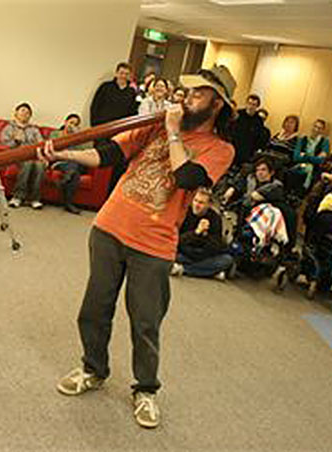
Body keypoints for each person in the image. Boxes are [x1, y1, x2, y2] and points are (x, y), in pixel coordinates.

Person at [40, 65, 236, 429]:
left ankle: (145, 389)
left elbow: (186, 178)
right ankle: (93, 369)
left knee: (146, 322)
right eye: (187, 91)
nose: (187, 97)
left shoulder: (220, 149)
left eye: (198, 94)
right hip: (109, 227)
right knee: (94, 308)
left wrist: (173, 131)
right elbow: (107, 154)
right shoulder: (155, 124)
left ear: (218, 104)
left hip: (154, 243)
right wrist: (64, 156)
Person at [90, 62, 139, 195]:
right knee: (100, 161)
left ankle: (109, 196)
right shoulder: (105, 87)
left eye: (126, 74)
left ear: (130, 76)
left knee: (117, 165)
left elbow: (132, 114)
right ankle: (96, 196)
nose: (123, 76)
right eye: (121, 73)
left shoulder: (131, 93)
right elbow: (94, 107)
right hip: (102, 131)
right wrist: (95, 128)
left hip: (120, 134)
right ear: (117, 73)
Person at [171, 189, 233, 280]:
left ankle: (184, 269)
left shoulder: (214, 218)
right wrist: (196, 233)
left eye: (201, 203)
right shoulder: (185, 213)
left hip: (203, 255)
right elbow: (177, 240)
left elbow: (216, 245)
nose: (197, 205)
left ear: (208, 205)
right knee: (171, 254)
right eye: (195, 201)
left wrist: (205, 235)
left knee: (227, 260)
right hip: (184, 253)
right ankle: (208, 272)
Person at [1, 102, 45, 209]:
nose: (25, 114)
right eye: (22, 111)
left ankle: (34, 199)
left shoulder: (34, 129)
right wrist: (15, 141)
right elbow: (3, 144)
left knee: (40, 165)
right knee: (28, 163)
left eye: (28, 113)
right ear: (16, 113)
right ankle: (18, 197)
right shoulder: (9, 127)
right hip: (16, 155)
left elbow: (41, 143)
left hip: (32, 155)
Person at [49, 113, 89, 215]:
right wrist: (66, 137)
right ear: (65, 122)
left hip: (75, 163)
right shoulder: (55, 134)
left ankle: (64, 183)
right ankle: (69, 204)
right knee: (74, 171)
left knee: (74, 170)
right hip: (60, 162)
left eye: (75, 124)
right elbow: (53, 148)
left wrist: (78, 137)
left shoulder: (79, 137)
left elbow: (85, 151)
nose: (72, 126)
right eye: (71, 123)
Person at [291, 118, 330, 190]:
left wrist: (305, 156)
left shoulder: (324, 142)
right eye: (315, 126)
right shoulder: (303, 139)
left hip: (314, 169)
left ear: (323, 131)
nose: (316, 130)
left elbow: (321, 160)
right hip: (298, 165)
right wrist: (314, 158)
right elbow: (296, 157)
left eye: (319, 128)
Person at [231, 94, 268, 167]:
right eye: (249, 103)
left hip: (247, 151)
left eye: (254, 105)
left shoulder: (259, 120)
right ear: (246, 103)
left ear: (257, 107)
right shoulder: (238, 114)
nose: (251, 107)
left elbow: (259, 136)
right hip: (233, 146)